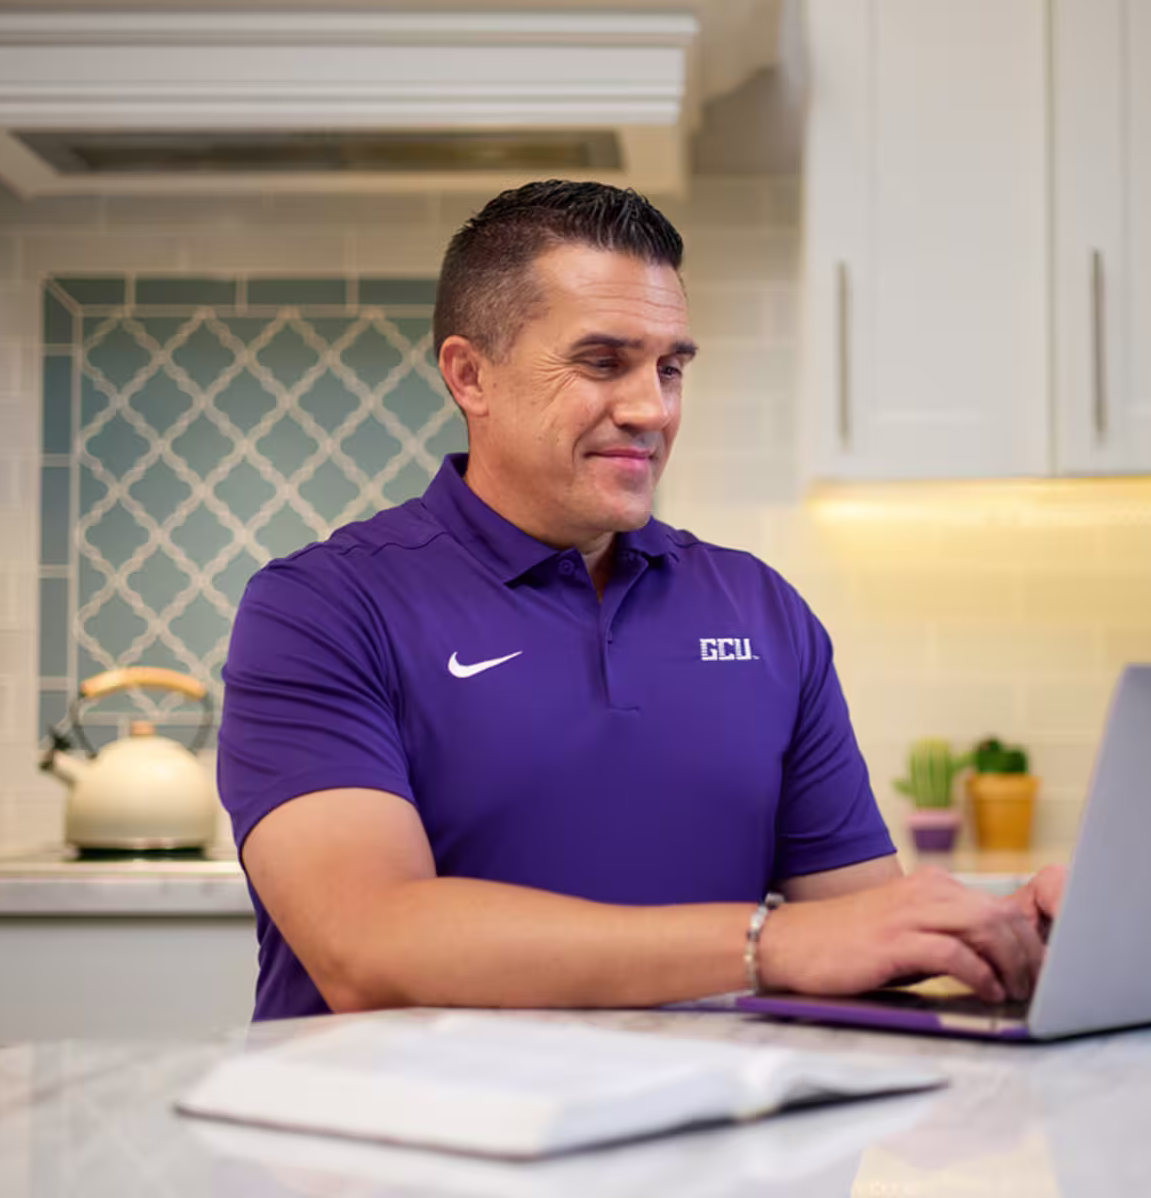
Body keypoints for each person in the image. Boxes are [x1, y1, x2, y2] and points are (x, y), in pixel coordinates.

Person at [218, 180, 1065, 1021]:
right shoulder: (323, 607)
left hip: (704, 1140)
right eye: (602, 362)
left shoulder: (761, 611)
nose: (651, 409)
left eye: (671, 368)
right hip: (409, 1146)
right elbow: (369, 946)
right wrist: (765, 944)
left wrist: (1004, 939)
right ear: (470, 375)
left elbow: (861, 934)